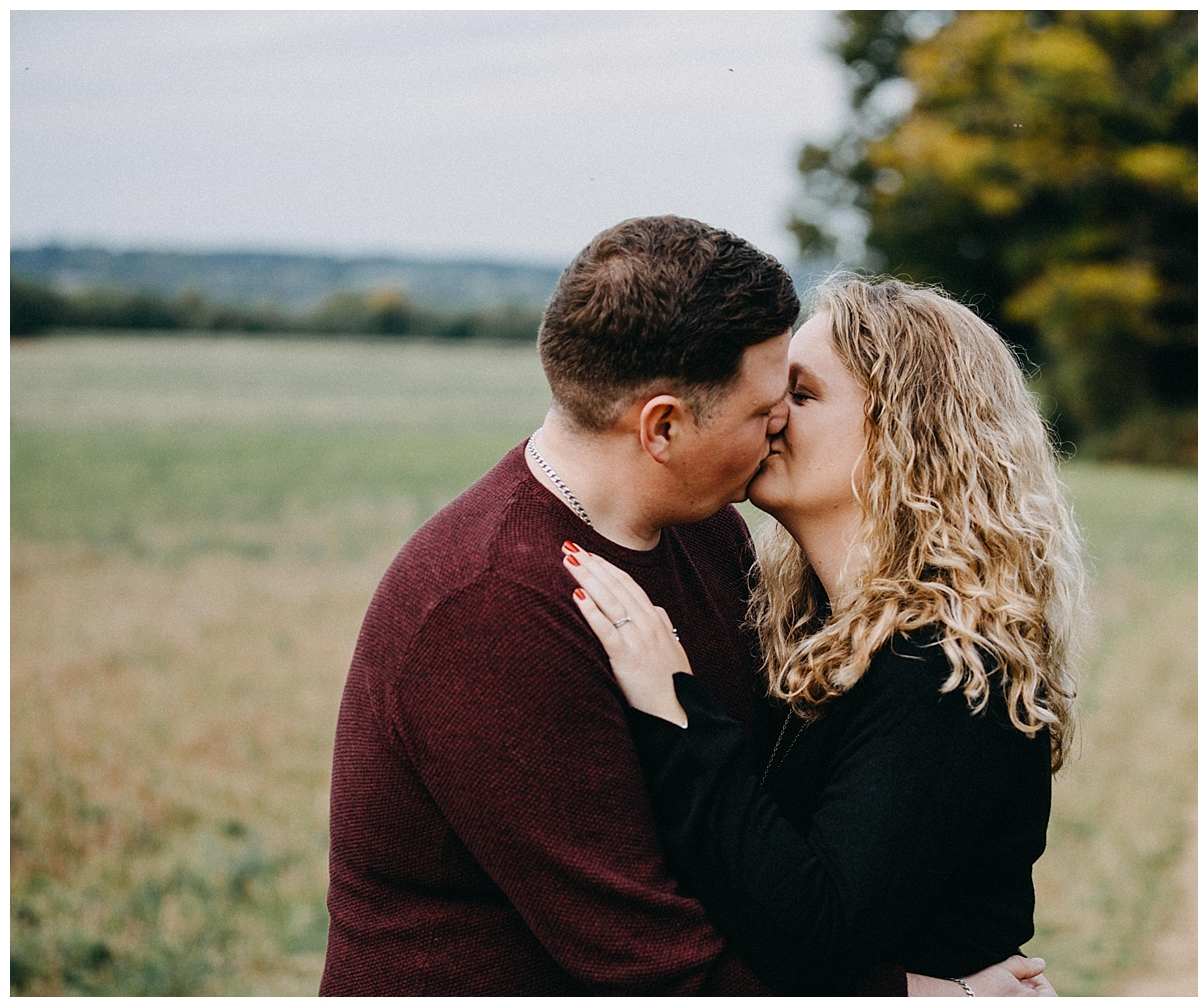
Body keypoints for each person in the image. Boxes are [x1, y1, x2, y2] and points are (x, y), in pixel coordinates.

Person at [320, 217, 1046, 995]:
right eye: (771, 401)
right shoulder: (489, 607)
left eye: (798, 395)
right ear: (662, 425)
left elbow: (777, 857)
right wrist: (926, 996)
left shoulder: (713, 540)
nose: (778, 423)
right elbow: (656, 959)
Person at [562, 276, 1083, 995]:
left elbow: (814, 930)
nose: (770, 416)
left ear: (906, 433)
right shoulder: (818, 634)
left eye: (801, 395)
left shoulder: (943, 665)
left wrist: (676, 707)